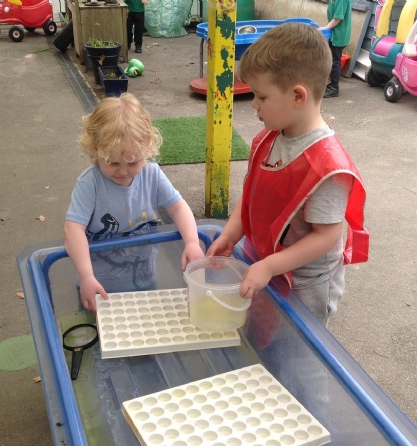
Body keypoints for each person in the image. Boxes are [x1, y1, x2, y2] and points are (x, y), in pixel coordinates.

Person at [206, 23, 369, 326]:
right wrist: (230, 235)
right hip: (268, 263)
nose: (253, 104)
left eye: (261, 96)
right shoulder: (271, 138)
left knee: (295, 344)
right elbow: (252, 197)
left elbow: (326, 237)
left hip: (305, 284)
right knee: (265, 330)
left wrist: (270, 266)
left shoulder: (326, 168)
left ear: (297, 96)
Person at [65, 93, 204, 313]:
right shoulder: (90, 183)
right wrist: (86, 276)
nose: (122, 171)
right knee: (96, 332)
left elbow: (178, 207)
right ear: (96, 150)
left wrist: (192, 242)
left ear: (146, 149)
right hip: (98, 286)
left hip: (143, 281)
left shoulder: (152, 174)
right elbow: (73, 229)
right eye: (113, 163)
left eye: (132, 162)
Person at [321, 0, 352, 97]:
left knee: (335, 61)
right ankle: (331, 85)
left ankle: (334, 88)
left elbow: (338, 18)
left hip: (339, 35)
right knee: (332, 59)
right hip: (334, 33)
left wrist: (325, 28)